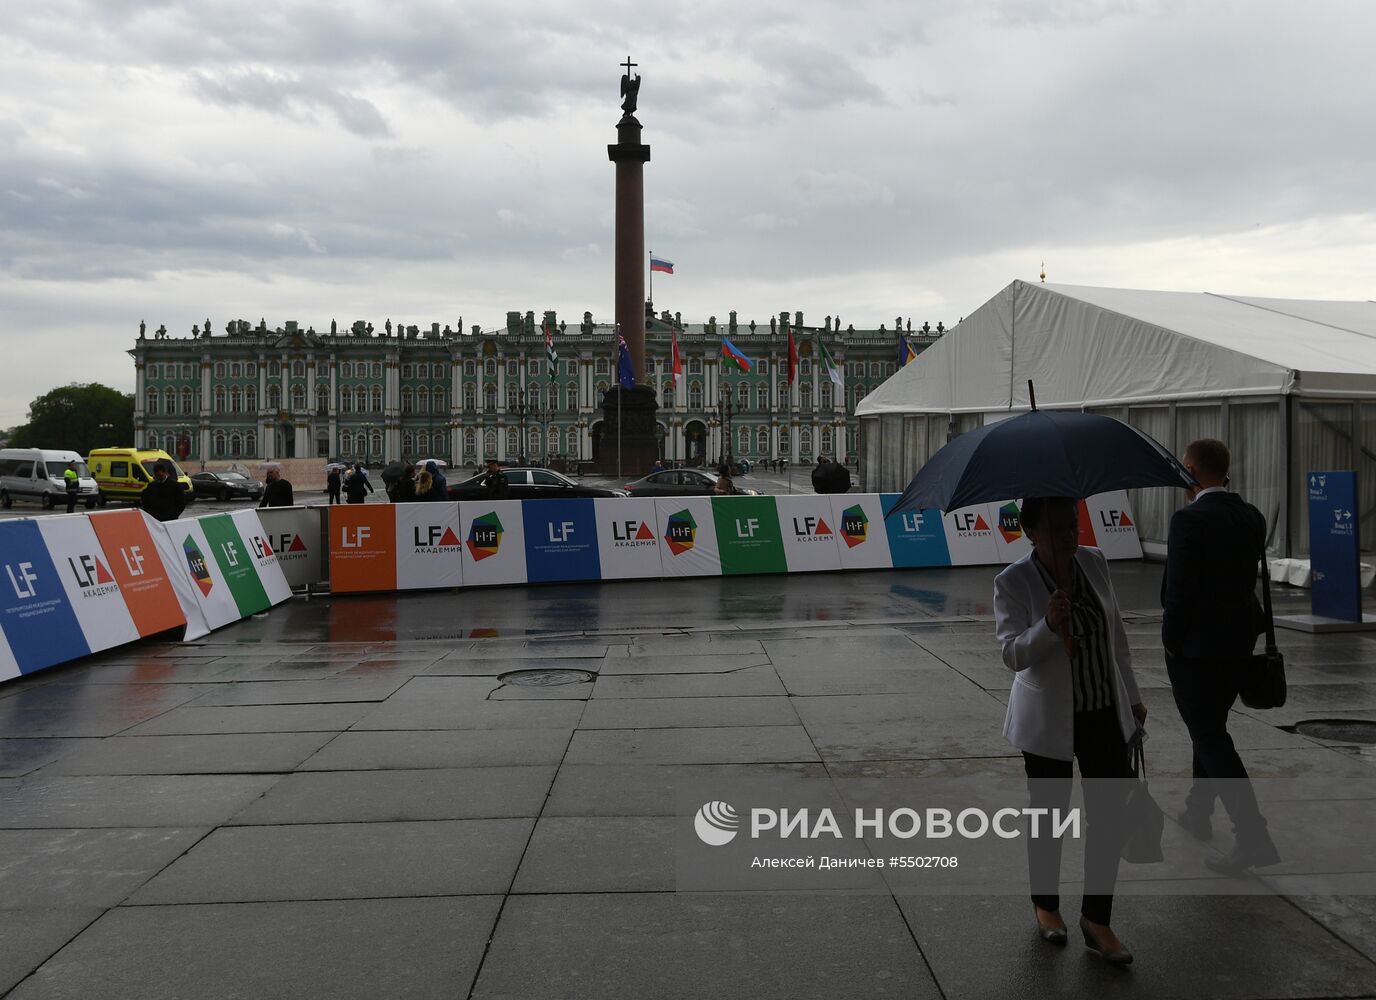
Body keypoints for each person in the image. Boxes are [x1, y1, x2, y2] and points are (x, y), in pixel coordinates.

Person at [993, 496, 1146, 966]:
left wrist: (1133, 697)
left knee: (1108, 820)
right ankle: (1046, 905)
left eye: (1072, 526)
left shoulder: (1094, 562)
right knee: (1049, 818)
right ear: (1031, 533)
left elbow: (1115, 635)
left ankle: (1097, 918)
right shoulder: (1013, 581)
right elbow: (1012, 654)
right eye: (1057, 529)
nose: (1068, 537)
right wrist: (1048, 626)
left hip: (1104, 712)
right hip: (1049, 722)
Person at [1162, 438, 1280, 876]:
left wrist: (1170, 641)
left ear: (1191, 469)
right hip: (1238, 645)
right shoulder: (1251, 517)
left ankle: (1253, 836)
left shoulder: (1188, 521)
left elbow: (1180, 592)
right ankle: (1198, 809)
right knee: (1208, 727)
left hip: (1196, 650)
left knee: (1210, 736)